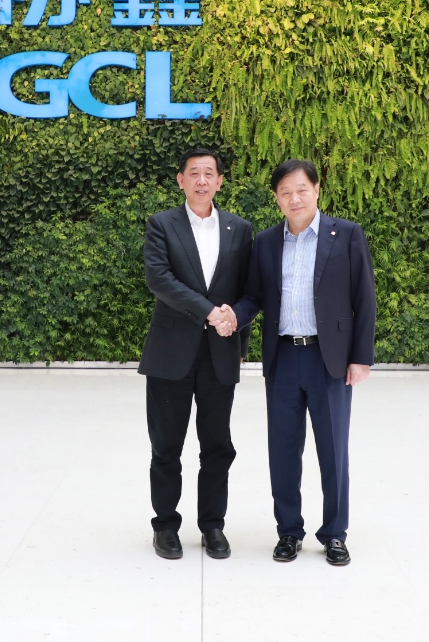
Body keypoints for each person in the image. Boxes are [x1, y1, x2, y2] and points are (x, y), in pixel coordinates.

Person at [219, 158, 375, 566]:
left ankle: (335, 534)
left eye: (302, 189)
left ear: (317, 190)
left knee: (333, 451)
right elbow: (254, 296)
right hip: (284, 357)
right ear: (276, 198)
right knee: (283, 450)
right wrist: (234, 315)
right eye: (285, 192)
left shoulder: (347, 234)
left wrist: (360, 358)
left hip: (330, 360)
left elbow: (365, 298)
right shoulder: (267, 242)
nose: (295, 198)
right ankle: (289, 531)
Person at [138, 148, 254, 560]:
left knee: (218, 445)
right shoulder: (161, 224)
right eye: (194, 173)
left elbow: (246, 291)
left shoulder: (240, 229)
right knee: (166, 446)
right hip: (170, 354)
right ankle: (166, 526)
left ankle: (213, 525)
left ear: (220, 181)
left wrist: (239, 345)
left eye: (209, 173)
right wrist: (209, 312)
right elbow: (160, 279)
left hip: (220, 354)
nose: (201, 180)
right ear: (181, 180)